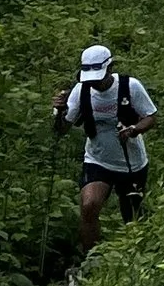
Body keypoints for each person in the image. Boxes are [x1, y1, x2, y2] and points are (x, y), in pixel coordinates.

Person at [55, 43, 157, 250]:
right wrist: (59, 111)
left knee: (132, 218)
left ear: (110, 69)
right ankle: (90, 259)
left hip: (132, 163)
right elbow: (61, 130)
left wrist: (134, 130)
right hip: (97, 159)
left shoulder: (131, 86)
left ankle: (134, 259)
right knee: (89, 206)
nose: (94, 83)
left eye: (98, 77)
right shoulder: (81, 91)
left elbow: (150, 117)